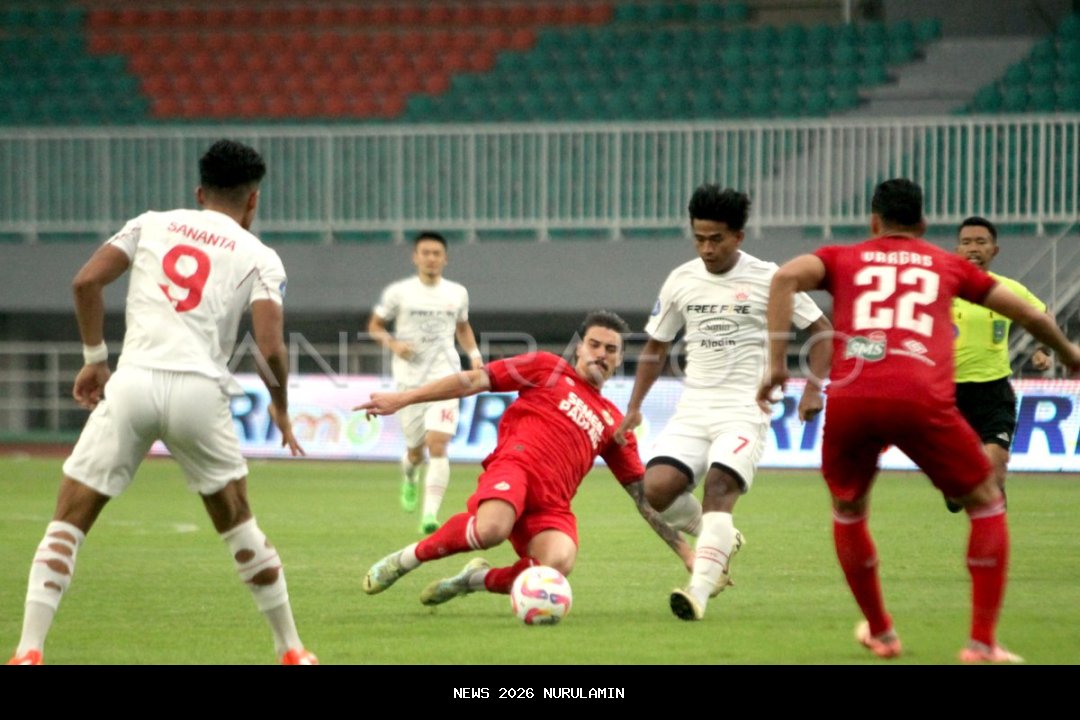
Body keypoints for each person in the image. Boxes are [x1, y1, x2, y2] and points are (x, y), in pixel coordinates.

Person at [6, 140, 317, 666]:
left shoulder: (150, 223)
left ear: (199, 192)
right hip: (199, 392)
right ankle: (291, 649)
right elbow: (270, 348)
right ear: (253, 201)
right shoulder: (259, 256)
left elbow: (85, 282)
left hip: (134, 383)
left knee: (68, 521)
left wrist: (94, 358)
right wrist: (280, 406)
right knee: (239, 524)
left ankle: (28, 650)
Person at [757, 178, 1080, 664]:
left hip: (853, 397)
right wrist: (1070, 353)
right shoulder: (946, 264)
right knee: (986, 502)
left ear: (873, 221)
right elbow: (1029, 315)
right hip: (920, 396)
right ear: (924, 225)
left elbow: (783, 278)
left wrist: (777, 363)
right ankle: (981, 643)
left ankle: (883, 633)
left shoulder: (842, 257)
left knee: (849, 509)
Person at [356, 311, 694, 609]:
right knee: (491, 529)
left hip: (551, 504)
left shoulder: (614, 421)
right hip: (515, 469)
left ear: (619, 359)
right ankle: (406, 559)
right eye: (594, 345)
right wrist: (404, 398)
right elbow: (474, 379)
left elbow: (641, 497)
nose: (601, 355)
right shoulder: (547, 367)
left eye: (610, 350)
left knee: (557, 564)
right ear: (579, 347)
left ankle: (471, 580)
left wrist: (686, 553)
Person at [614, 184, 832, 621]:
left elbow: (823, 331)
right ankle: (719, 538)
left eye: (716, 239)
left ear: (739, 237)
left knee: (718, 490)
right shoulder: (682, 279)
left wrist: (813, 387)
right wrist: (634, 406)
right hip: (693, 409)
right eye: (699, 238)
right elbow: (656, 347)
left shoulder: (773, 278)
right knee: (652, 492)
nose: (706, 248)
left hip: (744, 410)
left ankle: (696, 592)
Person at [368, 231, 483, 535]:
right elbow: (375, 326)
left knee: (438, 443)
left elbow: (462, 327)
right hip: (409, 383)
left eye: (436, 253)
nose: (431, 258)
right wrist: (395, 345)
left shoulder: (457, 293)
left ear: (445, 259)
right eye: (425, 253)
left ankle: (429, 515)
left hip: (446, 377)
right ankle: (409, 476)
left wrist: (474, 355)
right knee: (416, 452)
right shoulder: (399, 293)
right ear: (415, 257)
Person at [947, 216, 1054, 512]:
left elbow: (1044, 315)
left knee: (995, 468)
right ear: (957, 249)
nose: (973, 248)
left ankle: (993, 506)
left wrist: (1043, 347)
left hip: (994, 393)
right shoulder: (941, 291)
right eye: (967, 242)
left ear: (995, 250)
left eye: (981, 242)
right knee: (958, 495)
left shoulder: (1008, 290)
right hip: (948, 396)